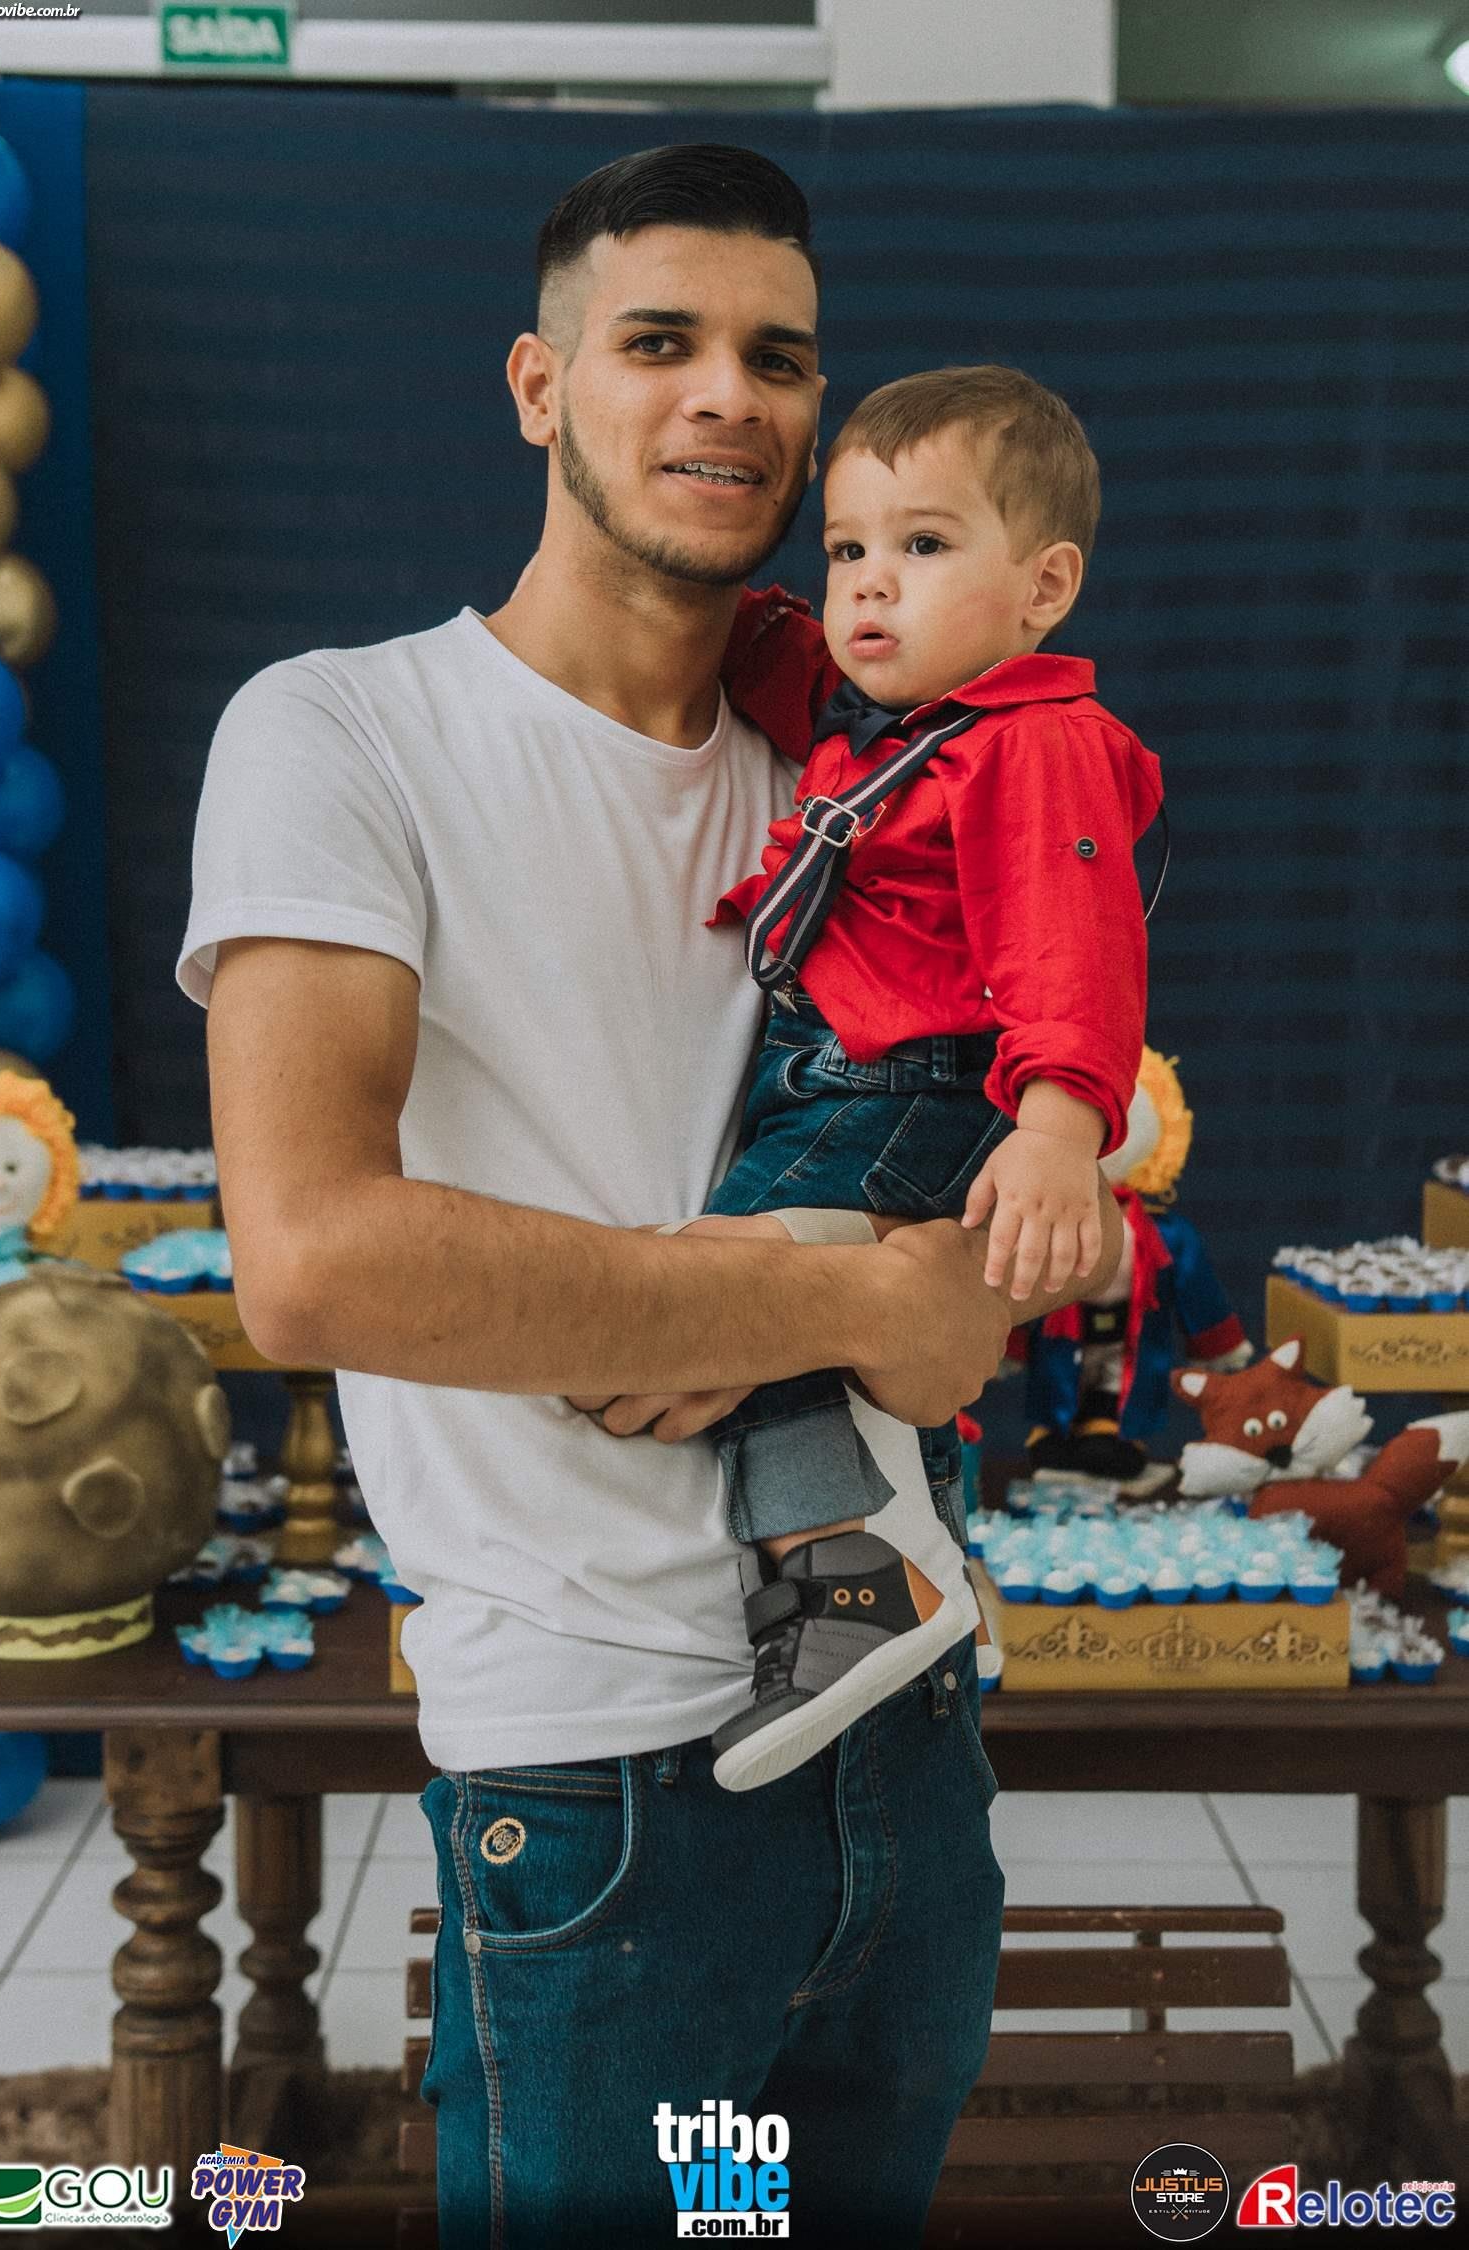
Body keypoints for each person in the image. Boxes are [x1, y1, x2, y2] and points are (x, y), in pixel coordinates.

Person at [181, 144, 1123, 2248]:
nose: (729, 396)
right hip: (602, 1779)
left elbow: (1027, 1196)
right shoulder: (345, 734)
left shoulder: (869, 756)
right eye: (661, 342)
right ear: (539, 385)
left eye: (778, 357)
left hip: (907, 1741)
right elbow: (313, 1261)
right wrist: (850, 1303)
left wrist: (985, 1251)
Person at [601, 364, 1162, 1794]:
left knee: (732, 1295)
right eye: (848, 546)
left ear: (1043, 587)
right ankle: (914, 1557)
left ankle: (849, 1576)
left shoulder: (1034, 745)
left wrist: (1058, 1127)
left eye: (923, 545)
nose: (869, 583)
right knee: (802, 1327)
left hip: (909, 1083)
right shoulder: (880, 724)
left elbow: (1073, 944)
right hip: (835, 1077)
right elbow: (762, 643)